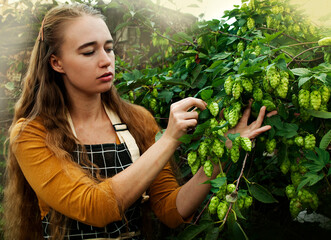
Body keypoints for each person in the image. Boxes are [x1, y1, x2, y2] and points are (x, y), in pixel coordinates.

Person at [3, 3, 276, 240]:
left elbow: (171, 210)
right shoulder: (32, 133)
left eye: (109, 49)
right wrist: (169, 139)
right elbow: (95, 207)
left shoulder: (137, 121)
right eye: (89, 52)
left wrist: (220, 153)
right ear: (56, 62)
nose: (106, 61)